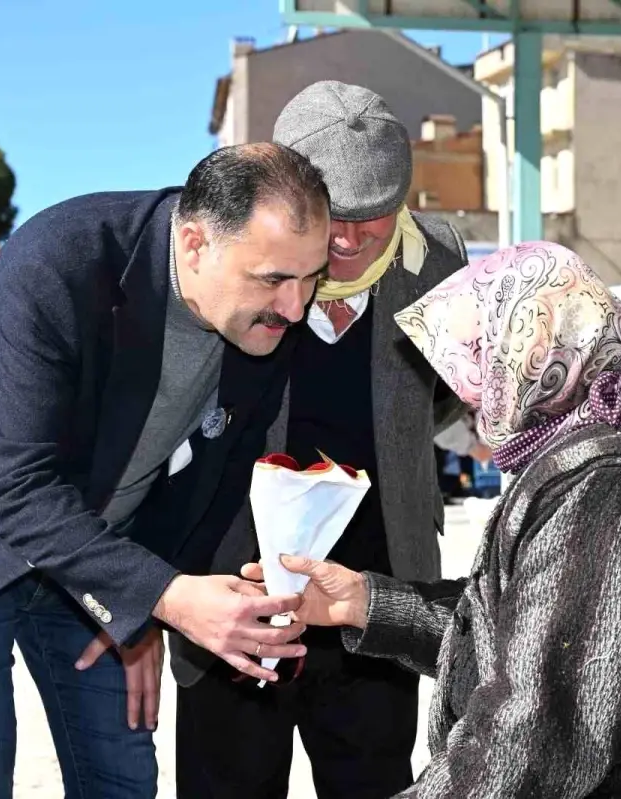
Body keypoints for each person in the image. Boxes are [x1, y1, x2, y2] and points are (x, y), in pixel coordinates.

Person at [0, 143, 331, 799]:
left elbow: (213, 481)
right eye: (272, 279)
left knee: (121, 777)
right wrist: (166, 595)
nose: (295, 309)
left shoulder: (268, 321)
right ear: (194, 244)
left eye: (313, 276)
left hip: (96, 545)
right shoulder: (62, 258)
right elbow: (15, 491)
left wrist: (142, 605)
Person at [244, 242, 621, 798]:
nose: (466, 391)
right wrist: (361, 602)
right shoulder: (583, 448)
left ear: (527, 352)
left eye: (477, 360)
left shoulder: (607, 479)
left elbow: (536, 725)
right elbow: (518, 631)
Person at [171, 81, 468, 799]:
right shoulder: (230, 255)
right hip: (237, 598)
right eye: (334, 215)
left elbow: (449, 399)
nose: (349, 239)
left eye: (374, 218)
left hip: (378, 601)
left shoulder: (441, 266)